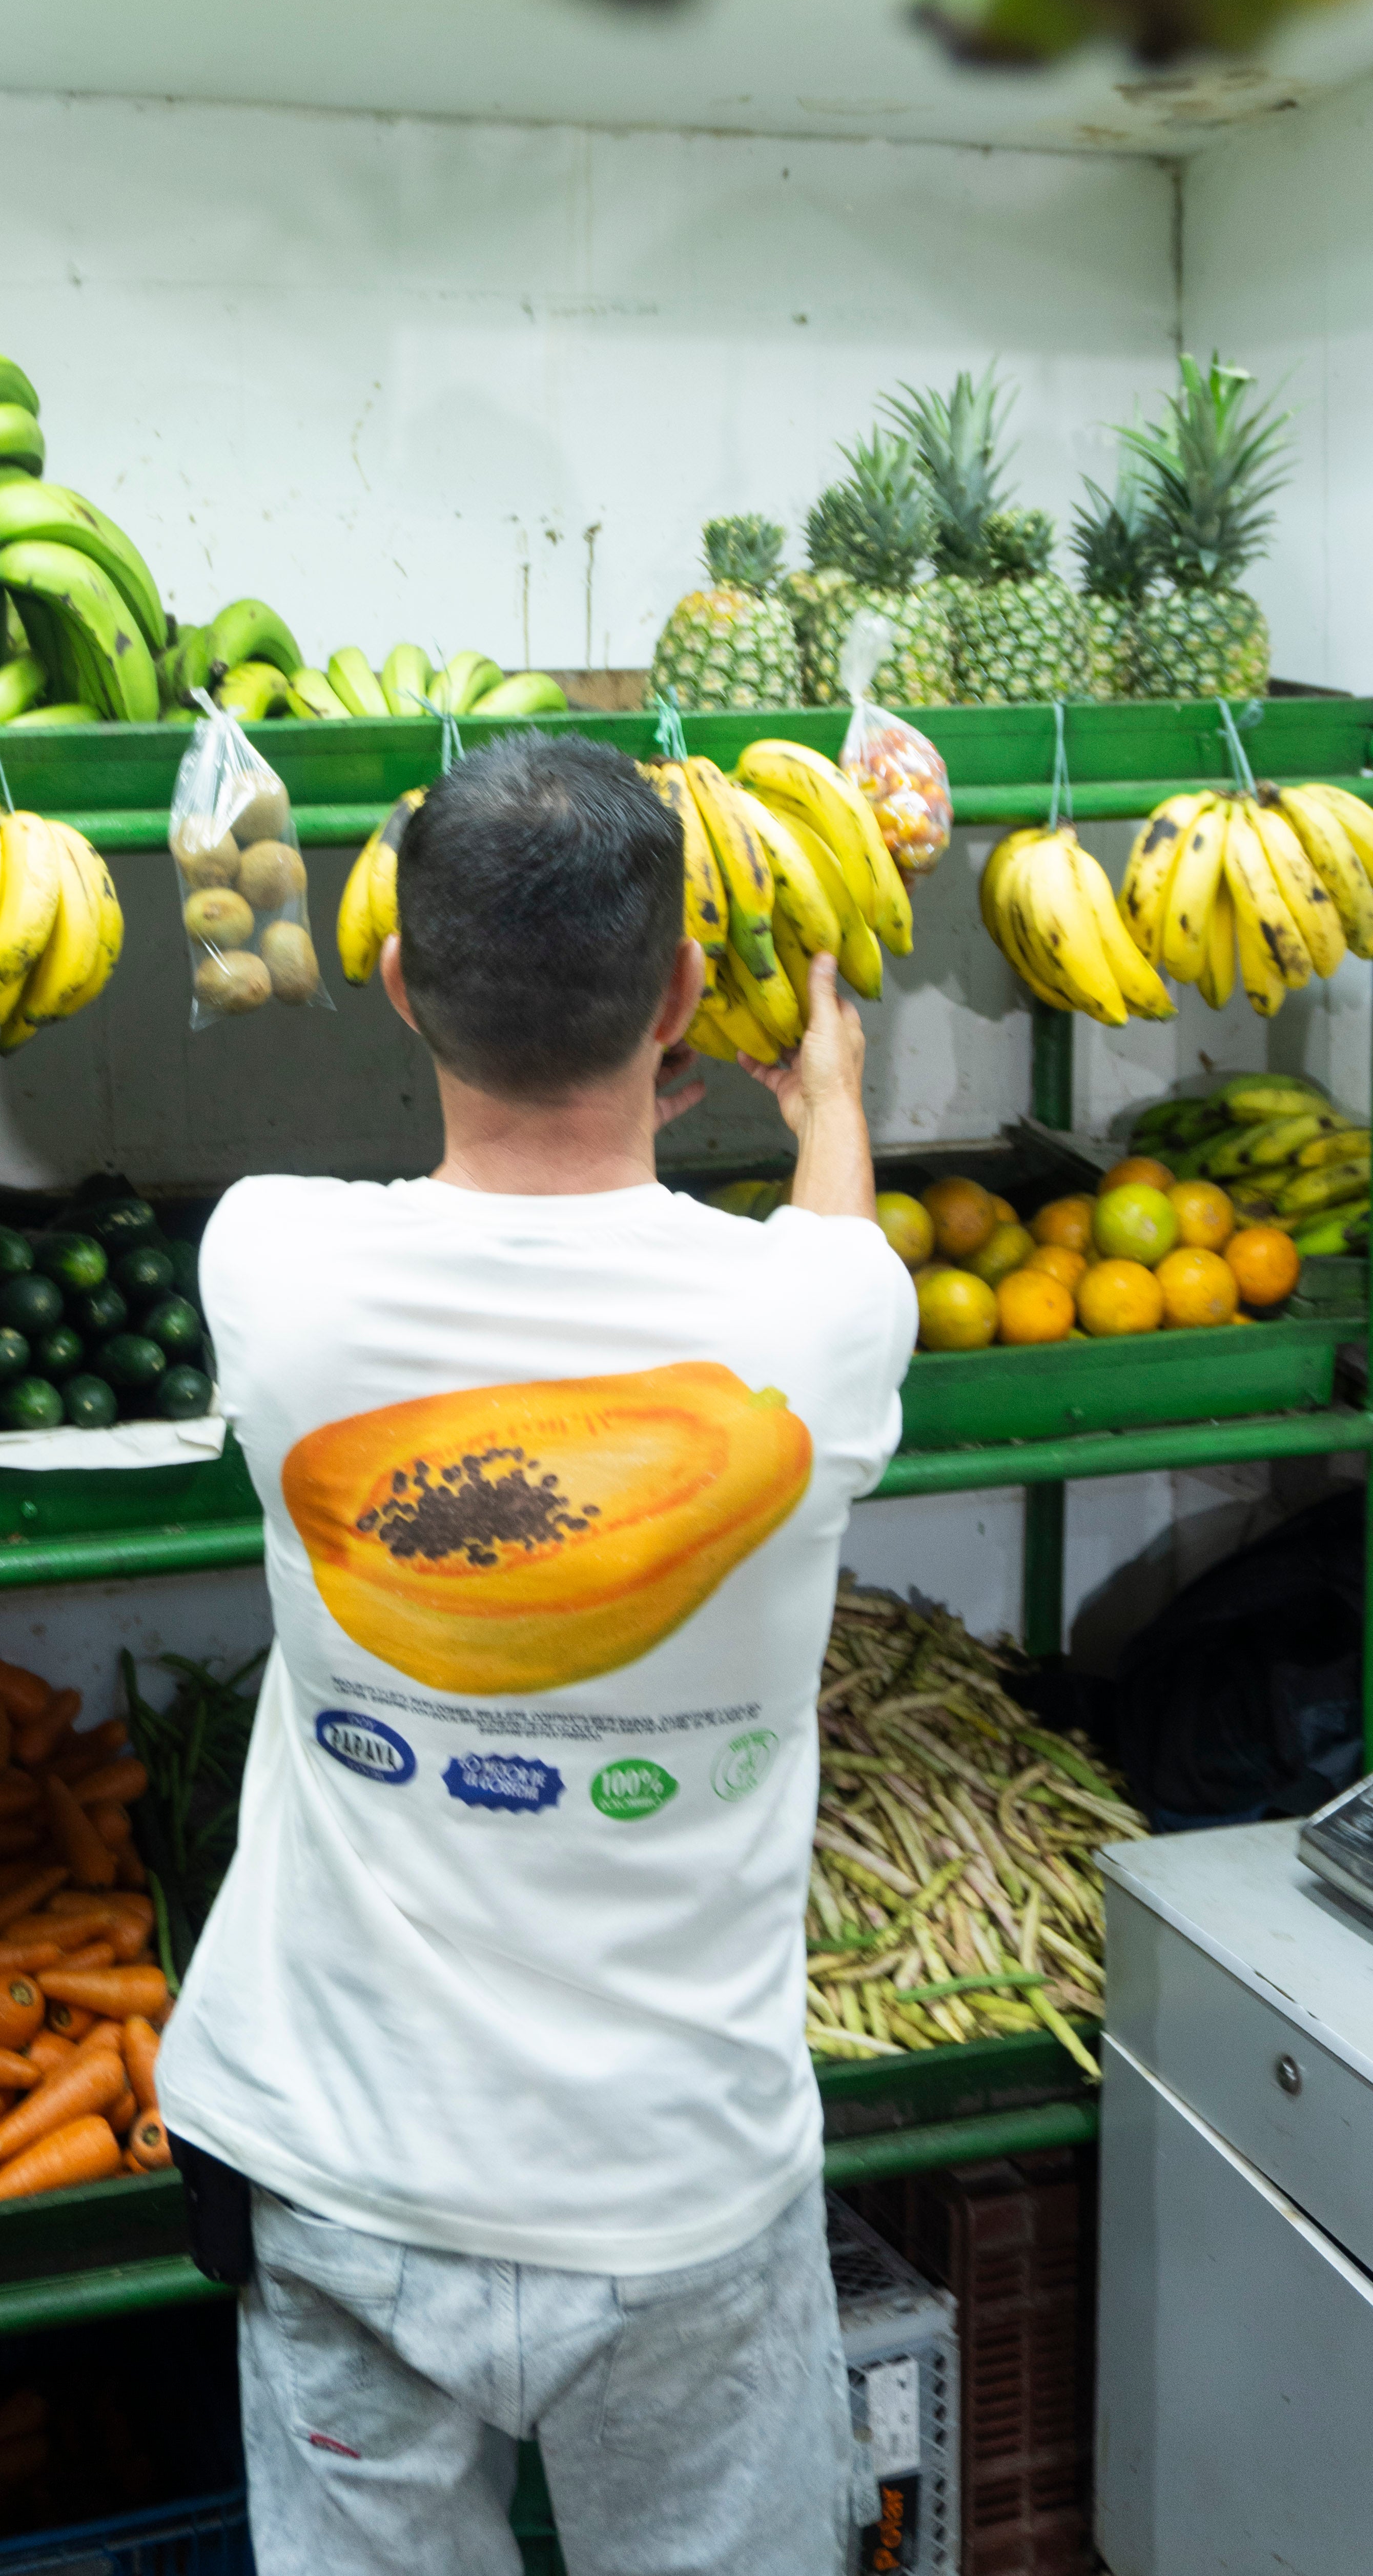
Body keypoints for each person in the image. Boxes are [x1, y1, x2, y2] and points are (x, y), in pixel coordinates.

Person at [156, 731, 917, 2575]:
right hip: (682, 2191)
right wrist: (826, 1103)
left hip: (340, 2160)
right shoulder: (821, 1315)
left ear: (402, 987)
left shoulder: (268, 1259)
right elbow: (828, 1263)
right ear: (673, 998)